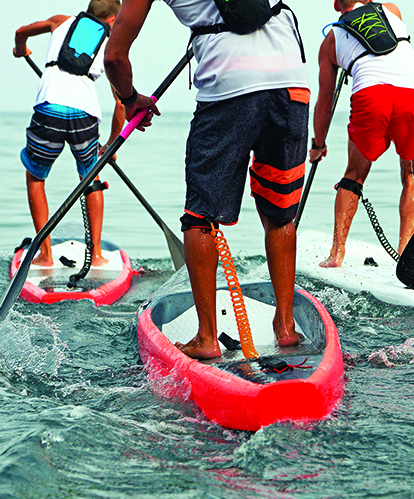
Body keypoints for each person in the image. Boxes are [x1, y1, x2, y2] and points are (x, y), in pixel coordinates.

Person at [104, 0, 309, 359]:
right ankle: (287, 327)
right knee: (280, 211)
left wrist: (130, 98)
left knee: (200, 216)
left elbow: (114, 57)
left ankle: (207, 338)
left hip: (228, 87)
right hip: (291, 82)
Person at [309, 0, 414, 268]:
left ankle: (336, 254)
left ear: (336, 5)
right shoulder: (392, 10)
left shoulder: (330, 41)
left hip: (371, 92)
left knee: (354, 174)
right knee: (412, 174)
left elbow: (324, 104)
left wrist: (318, 144)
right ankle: (406, 256)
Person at [13, 0, 124, 267]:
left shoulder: (60, 21)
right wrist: (111, 146)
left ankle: (45, 255)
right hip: (85, 114)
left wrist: (21, 49)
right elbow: (121, 105)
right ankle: (96, 255)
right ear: (112, 20)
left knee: (35, 176)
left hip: (49, 108)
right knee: (90, 178)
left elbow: (20, 32)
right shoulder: (111, 44)